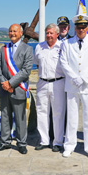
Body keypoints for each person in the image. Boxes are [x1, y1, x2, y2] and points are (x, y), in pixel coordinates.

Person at [59, 15, 88, 159]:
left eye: (83, 27)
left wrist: (83, 79)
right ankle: (69, 145)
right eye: (78, 27)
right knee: (71, 117)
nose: (81, 30)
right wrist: (74, 78)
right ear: (75, 28)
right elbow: (63, 62)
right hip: (72, 85)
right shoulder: (67, 43)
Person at [0, 24, 33, 154]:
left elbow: (26, 71)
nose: (12, 33)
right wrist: (4, 83)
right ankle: (5, 142)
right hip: (4, 89)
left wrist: (10, 84)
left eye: (15, 31)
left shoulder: (27, 49)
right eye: (10, 31)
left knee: (20, 117)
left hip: (18, 88)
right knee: (5, 116)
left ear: (21, 33)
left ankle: (21, 143)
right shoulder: (3, 49)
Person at [33, 23, 66, 152]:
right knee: (41, 112)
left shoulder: (63, 47)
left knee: (58, 113)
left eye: (51, 33)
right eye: (47, 33)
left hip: (58, 83)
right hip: (42, 83)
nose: (49, 35)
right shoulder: (39, 47)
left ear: (57, 34)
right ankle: (44, 140)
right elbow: (36, 63)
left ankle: (57, 142)